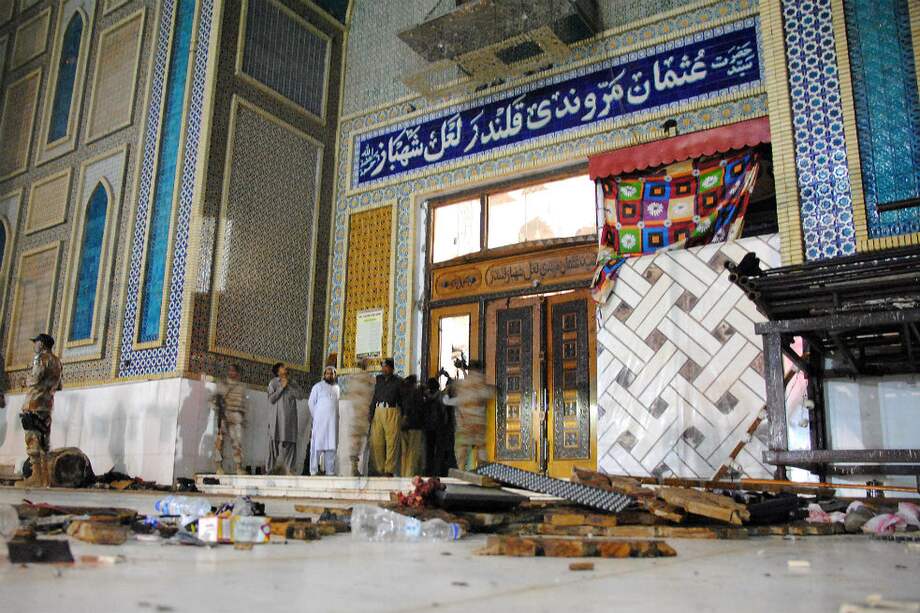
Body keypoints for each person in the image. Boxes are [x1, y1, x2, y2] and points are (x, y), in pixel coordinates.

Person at [17, 333, 63, 488]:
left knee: (32, 439)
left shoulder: (41, 358)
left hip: (34, 404)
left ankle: (36, 477)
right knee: (44, 442)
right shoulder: (57, 362)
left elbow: (35, 378)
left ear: (41, 344)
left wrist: (24, 380)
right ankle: (45, 478)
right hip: (47, 405)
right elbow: (60, 386)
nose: (34, 346)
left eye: (35, 343)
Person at [444, 360, 493, 471]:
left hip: (465, 424)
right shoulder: (482, 383)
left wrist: (448, 401)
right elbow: (488, 394)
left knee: (461, 453)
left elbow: (459, 399)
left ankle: (462, 473)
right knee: (481, 450)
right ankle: (484, 472)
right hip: (479, 424)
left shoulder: (463, 384)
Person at [266, 362, 304, 474]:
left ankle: (289, 471)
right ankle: (270, 470)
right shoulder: (273, 383)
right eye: (283, 367)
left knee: (291, 445)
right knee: (273, 445)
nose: (286, 367)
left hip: (290, 420)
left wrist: (289, 385)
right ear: (278, 371)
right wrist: (281, 387)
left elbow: (300, 396)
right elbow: (271, 399)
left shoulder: (293, 382)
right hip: (276, 421)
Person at [368, 358, 402, 476]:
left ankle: (389, 470)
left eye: (386, 367)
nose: (384, 369)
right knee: (376, 442)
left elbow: (402, 399)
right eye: (382, 367)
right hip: (378, 411)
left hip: (392, 411)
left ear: (392, 368)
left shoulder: (398, 381)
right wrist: (371, 412)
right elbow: (374, 396)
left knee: (392, 442)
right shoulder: (378, 379)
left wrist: (404, 415)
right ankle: (380, 469)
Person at [340, 358, 374, 476]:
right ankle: (357, 468)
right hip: (364, 413)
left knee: (355, 441)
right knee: (363, 442)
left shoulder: (352, 378)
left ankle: (354, 467)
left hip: (355, 414)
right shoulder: (369, 379)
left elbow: (349, 394)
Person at [212, 363, 247, 475]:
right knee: (219, 442)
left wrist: (242, 417)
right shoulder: (221, 384)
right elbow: (214, 400)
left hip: (236, 417)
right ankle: (218, 467)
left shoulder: (241, 387)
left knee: (237, 443)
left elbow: (243, 403)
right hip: (223, 416)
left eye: (234, 371)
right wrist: (219, 410)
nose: (231, 372)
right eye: (230, 370)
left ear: (237, 373)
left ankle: (238, 467)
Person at [308, 366, 340, 476]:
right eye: (327, 373)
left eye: (332, 374)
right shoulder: (317, 387)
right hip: (320, 423)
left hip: (332, 424)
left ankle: (330, 471)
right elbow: (311, 403)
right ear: (324, 375)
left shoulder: (337, 388)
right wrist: (317, 417)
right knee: (317, 446)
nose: (329, 375)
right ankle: (313, 470)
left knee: (331, 447)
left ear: (335, 375)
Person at [398, 375, 426, 477]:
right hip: (415, 425)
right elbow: (420, 409)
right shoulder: (416, 393)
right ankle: (409, 474)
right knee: (413, 452)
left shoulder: (402, 393)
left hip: (403, 426)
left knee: (404, 452)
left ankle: (403, 473)